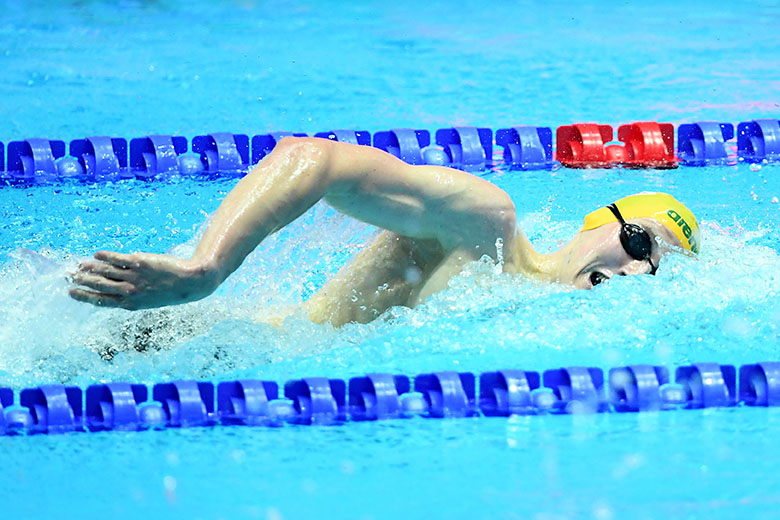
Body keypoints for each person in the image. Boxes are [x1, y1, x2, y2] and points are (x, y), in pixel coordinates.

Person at [69, 137, 700, 327]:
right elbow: (312, 158)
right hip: (175, 339)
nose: (641, 269)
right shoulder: (485, 228)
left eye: (657, 267)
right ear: (598, 225)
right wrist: (206, 270)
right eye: (642, 243)